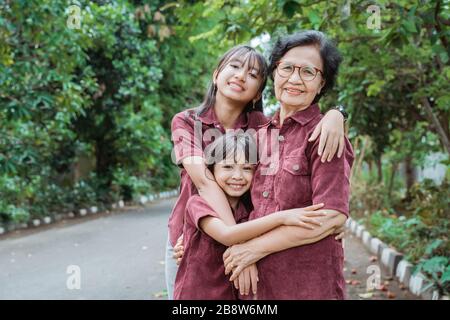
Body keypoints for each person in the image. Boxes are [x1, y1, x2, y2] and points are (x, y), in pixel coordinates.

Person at [167, 44, 347, 299]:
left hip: (245, 239)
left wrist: (336, 114)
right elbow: (205, 183)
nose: (241, 76)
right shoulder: (188, 121)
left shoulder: (263, 128)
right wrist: (241, 244)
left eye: (252, 74)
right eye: (235, 67)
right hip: (193, 237)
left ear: (258, 93)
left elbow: (273, 192)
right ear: (216, 74)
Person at [222, 30, 354, 299]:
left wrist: (255, 248)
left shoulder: (324, 135)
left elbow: (331, 216)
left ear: (322, 83)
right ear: (274, 73)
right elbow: (235, 200)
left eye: (308, 72)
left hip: (306, 285)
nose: (295, 79)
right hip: (255, 285)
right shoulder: (257, 135)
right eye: (287, 68)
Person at [174, 132, 330, 299]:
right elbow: (226, 235)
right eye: (227, 167)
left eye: (247, 168)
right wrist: (282, 217)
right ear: (211, 169)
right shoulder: (198, 204)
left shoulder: (250, 212)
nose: (237, 176)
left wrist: (336, 224)